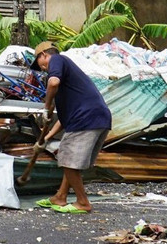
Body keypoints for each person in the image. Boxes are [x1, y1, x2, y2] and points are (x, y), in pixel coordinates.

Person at [33, 42, 112, 213]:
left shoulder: (58, 59)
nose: (44, 69)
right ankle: (60, 197)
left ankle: (83, 202)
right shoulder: (68, 84)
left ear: (44, 55)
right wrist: (45, 139)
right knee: (71, 161)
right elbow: (63, 119)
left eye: (41, 63)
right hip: (96, 117)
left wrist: (46, 107)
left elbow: (52, 83)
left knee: (67, 160)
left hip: (86, 118)